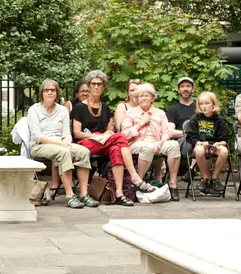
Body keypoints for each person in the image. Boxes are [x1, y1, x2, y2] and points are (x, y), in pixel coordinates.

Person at [71, 70, 156, 206]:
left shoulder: (104, 107)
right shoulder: (79, 107)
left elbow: (110, 128)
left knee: (116, 149)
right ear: (88, 85)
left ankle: (118, 194)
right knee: (121, 138)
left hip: (105, 142)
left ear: (104, 87)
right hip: (86, 143)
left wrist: (108, 134)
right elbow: (77, 133)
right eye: (94, 84)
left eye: (100, 84)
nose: (97, 87)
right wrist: (95, 136)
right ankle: (135, 177)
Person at [28, 79, 99, 209]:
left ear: (57, 93)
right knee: (64, 153)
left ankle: (84, 194)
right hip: (40, 146)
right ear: (41, 93)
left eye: (52, 90)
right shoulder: (34, 110)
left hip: (61, 144)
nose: (49, 92)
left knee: (84, 151)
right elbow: (37, 137)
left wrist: (67, 142)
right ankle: (70, 195)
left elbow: (67, 134)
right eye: (46, 90)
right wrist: (62, 145)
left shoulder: (62, 110)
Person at [121, 83, 182, 201]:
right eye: (141, 96)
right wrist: (140, 124)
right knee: (148, 147)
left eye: (147, 95)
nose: (144, 98)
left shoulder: (160, 113)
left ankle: (173, 183)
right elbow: (125, 134)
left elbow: (166, 132)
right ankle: (139, 182)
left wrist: (161, 141)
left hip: (157, 142)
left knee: (174, 145)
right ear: (137, 99)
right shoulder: (130, 113)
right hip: (137, 143)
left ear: (152, 98)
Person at [185, 92, 230, 196]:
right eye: (201, 104)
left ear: (213, 105)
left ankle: (214, 178)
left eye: (207, 103)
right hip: (200, 145)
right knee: (200, 150)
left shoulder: (220, 120)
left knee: (224, 151)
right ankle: (205, 178)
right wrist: (199, 143)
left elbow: (225, 139)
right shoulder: (195, 118)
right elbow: (190, 137)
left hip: (215, 146)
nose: (204, 106)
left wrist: (219, 144)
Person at [166, 77, 197, 182]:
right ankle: (193, 169)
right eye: (182, 86)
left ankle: (192, 169)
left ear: (193, 89)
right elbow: (170, 132)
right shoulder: (172, 110)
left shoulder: (200, 107)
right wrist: (188, 133)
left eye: (188, 86)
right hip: (182, 142)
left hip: (202, 140)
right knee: (197, 142)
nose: (185, 89)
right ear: (178, 90)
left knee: (204, 141)